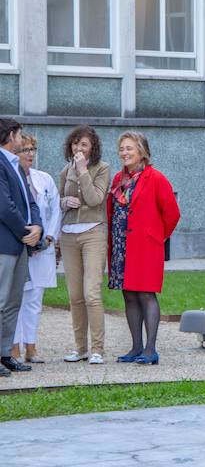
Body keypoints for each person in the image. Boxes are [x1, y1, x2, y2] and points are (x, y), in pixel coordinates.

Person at [107, 131, 180, 365]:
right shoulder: (119, 178)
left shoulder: (155, 178)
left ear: (142, 152)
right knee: (128, 294)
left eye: (129, 148)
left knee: (146, 293)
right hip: (121, 245)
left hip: (146, 245)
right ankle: (136, 346)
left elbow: (172, 214)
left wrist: (156, 236)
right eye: (122, 149)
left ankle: (150, 349)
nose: (124, 153)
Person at [59, 125, 110, 364]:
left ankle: (97, 349)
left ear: (92, 148)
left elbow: (95, 199)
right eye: (75, 143)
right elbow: (58, 200)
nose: (78, 148)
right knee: (75, 295)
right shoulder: (64, 170)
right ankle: (80, 348)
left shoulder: (102, 168)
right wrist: (64, 202)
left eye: (84, 144)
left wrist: (82, 170)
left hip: (93, 233)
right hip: (68, 235)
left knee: (91, 292)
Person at [11, 134, 60, 364]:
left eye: (32, 149)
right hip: (19, 247)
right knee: (16, 299)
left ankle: (31, 347)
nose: (29, 154)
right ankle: (13, 347)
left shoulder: (45, 179)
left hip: (42, 249)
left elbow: (55, 211)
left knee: (35, 300)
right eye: (25, 149)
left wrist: (47, 238)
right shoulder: (10, 179)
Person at [0, 119, 42, 377]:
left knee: (13, 301)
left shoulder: (17, 165)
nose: (22, 139)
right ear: (10, 135)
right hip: (5, 242)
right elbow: (4, 206)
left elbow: (30, 201)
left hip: (20, 243)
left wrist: (37, 225)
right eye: (19, 134)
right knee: (1, 300)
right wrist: (27, 232)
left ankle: (6, 353)